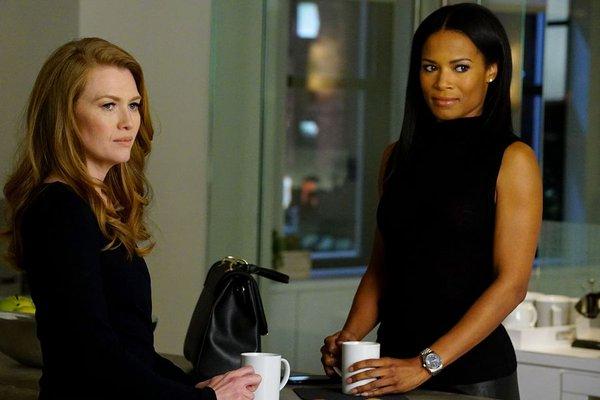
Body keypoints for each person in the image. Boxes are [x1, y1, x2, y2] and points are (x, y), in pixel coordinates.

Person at [2, 38, 260, 400]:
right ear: (64, 115)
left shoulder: (96, 202)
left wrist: (194, 387)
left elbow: (131, 348)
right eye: (108, 105)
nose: (128, 122)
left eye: (134, 105)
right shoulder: (60, 209)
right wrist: (206, 399)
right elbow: (92, 357)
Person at [320, 4, 542, 399]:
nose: (442, 83)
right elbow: (381, 270)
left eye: (460, 67)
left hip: (473, 380)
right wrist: (350, 336)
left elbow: (511, 286)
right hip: (390, 371)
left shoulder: (513, 159)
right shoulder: (396, 156)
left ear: (491, 70)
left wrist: (425, 364)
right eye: (430, 67)